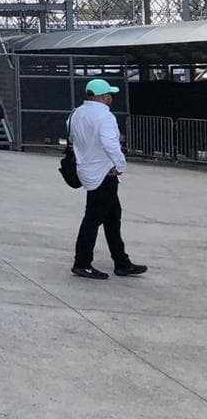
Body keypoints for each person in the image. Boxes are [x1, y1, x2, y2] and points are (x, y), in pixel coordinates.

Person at [68, 79, 146, 281]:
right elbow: (110, 143)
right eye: (110, 94)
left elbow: (73, 135)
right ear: (104, 97)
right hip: (105, 173)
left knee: (112, 217)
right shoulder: (105, 116)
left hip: (86, 170)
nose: (112, 97)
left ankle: (122, 261)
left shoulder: (76, 113)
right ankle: (82, 263)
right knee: (93, 219)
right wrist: (120, 166)